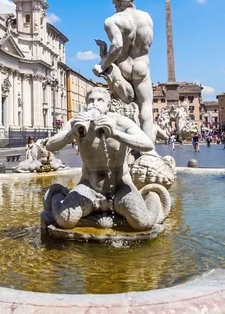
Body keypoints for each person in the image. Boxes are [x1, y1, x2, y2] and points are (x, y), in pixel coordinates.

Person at [42, 88, 170, 232]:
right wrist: (71, 133)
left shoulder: (120, 122)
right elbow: (50, 145)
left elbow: (147, 145)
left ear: (107, 105)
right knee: (65, 220)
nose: (94, 104)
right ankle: (58, 194)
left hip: (120, 187)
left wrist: (115, 133)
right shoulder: (77, 122)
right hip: (89, 187)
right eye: (91, 101)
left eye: (99, 100)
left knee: (142, 223)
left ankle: (152, 197)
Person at [93, 0, 155, 143]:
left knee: (120, 109)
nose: (114, 6)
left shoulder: (112, 20)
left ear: (118, 2)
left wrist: (102, 64)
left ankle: (123, 150)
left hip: (123, 67)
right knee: (146, 106)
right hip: (142, 65)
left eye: (114, 3)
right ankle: (147, 151)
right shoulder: (146, 18)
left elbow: (117, 45)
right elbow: (148, 43)